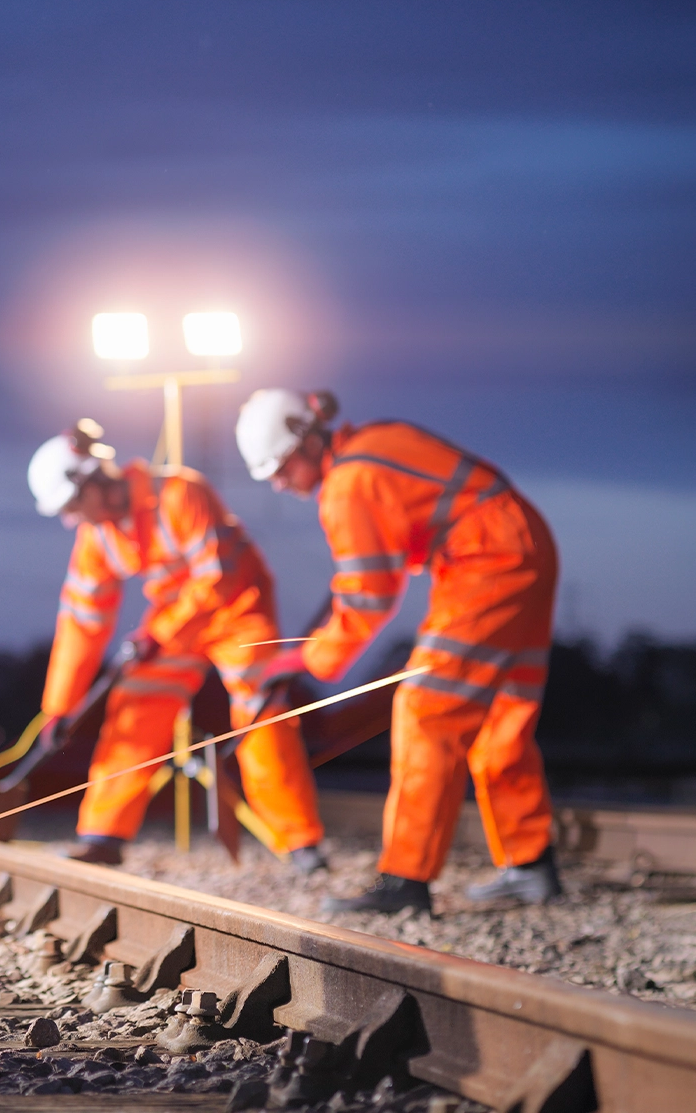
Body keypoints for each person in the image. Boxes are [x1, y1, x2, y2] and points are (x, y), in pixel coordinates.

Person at [236, 389, 560, 915]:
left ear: (307, 441)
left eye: (280, 468)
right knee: (503, 712)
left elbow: (368, 595)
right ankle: (530, 863)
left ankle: (405, 881)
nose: (279, 482)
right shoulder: (369, 446)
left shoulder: (348, 483)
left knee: (427, 707)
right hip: (521, 542)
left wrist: (305, 660)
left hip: (486, 559)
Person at [27, 420, 325, 871]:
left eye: (73, 506)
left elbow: (216, 578)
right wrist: (60, 707)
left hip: (237, 608)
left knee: (260, 710)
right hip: (174, 622)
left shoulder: (180, 492)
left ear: (95, 481)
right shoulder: (97, 536)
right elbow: (81, 622)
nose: (73, 519)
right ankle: (102, 836)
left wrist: (156, 634)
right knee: (134, 706)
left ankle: (301, 843)